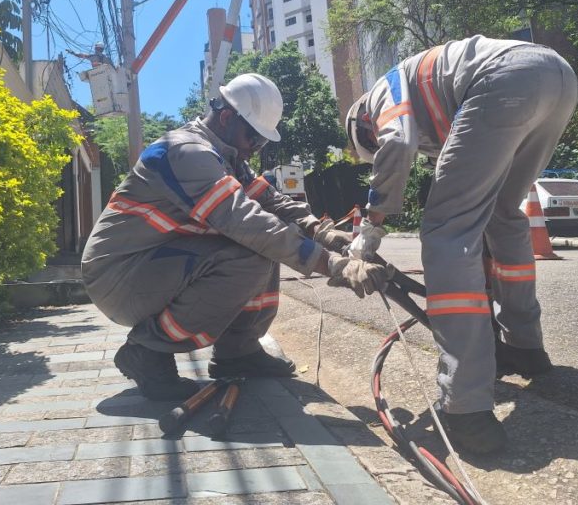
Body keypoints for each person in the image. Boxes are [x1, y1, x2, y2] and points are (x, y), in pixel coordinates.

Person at [82, 73, 389, 401]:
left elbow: (272, 202)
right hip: (118, 276)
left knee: (261, 246)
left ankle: (238, 352)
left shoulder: (225, 156)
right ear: (227, 117)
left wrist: (327, 235)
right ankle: (147, 350)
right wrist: (333, 265)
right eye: (252, 139)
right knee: (252, 248)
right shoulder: (186, 152)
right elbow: (249, 222)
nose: (254, 149)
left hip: (150, 264)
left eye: (261, 142)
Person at [346, 37, 578, 453]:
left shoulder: (382, 91)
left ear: (363, 125)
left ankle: (464, 406)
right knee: (504, 215)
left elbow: (396, 144)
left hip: (506, 79)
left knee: (446, 230)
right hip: (556, 78)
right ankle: (524, 347)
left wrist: (372, 224)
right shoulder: (431, 101)